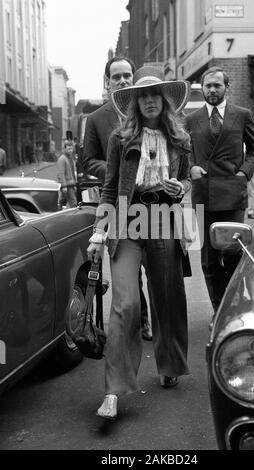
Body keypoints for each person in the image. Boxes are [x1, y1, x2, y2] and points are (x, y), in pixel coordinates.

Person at [87, 65, 191, 419]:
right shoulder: (120, 138)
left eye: (154, 96)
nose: (149, 101)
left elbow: (184, 180)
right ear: (135, 103)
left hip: (163, 217)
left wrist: (182, 188)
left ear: (164, 101)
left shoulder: (180, 137)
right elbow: (109, 186)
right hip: (127, 219)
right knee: (125, 304)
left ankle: (169, 364)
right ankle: (114, 390)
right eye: (142, 96)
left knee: (168, 296)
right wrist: (99, 231)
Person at [82, 56, 152, 342]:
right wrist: (119, 170)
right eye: (116, 77)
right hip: (120, 205)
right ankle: (141, 322)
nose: (123, 80)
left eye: (127, 75)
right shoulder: (97, 118)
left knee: (158, 269)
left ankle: (160, 324)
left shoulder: (150, 111)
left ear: (133, 78)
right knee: (128, 270)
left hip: (154, 204)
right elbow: (88, 161)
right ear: (107, 83)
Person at [185, 66, 254, 314]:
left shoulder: (242, 115)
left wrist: (243, 174)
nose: (212, 90)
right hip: (204, 196)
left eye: (217, 85)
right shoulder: (191, 120)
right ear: (202, 88)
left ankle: (235, 308)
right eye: (207, 86)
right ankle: (218, 310)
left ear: (226, 88)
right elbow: (183, 153)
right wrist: (192, 168)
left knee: (232, 254)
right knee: (208, 260)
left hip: (232, 194)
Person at [57, 140, 77, 209]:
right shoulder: (62, 159)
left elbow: (72, 173)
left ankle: (57, 214)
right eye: (68, 149)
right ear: (65, 149)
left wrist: (74, 184)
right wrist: (63, 186)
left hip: (70, 184)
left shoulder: (70, 159)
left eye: (71, 148)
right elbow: (61, 173)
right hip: (67, 186)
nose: (70, 150)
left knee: (62, 202)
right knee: (73, 202)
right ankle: (75, 217)